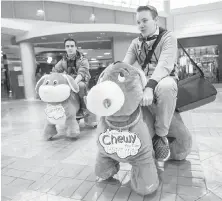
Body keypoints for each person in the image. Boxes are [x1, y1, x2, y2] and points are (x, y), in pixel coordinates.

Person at [123, 5, 178, 162]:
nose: (141, 25)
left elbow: (164, 66)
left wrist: (149, 87)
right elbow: (125, 64)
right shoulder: (135, 43)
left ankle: (161, 136)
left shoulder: (169, 37)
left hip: (164, 78)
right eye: (138, 22)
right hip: (144, 80)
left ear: (156, 20)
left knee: (166, 87)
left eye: (145, 20)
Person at [53, 38, 91, 117]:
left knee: (80, 86)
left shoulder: (83, 59)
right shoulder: (63, 60)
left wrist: (73, 83)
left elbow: (82, 73)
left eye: (72, 46)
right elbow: (55, 71)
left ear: (76, 47)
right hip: (70, 81)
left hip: (82, 81)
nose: (70, 48)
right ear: (65, 48)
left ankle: (83, 109)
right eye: (67, 46)